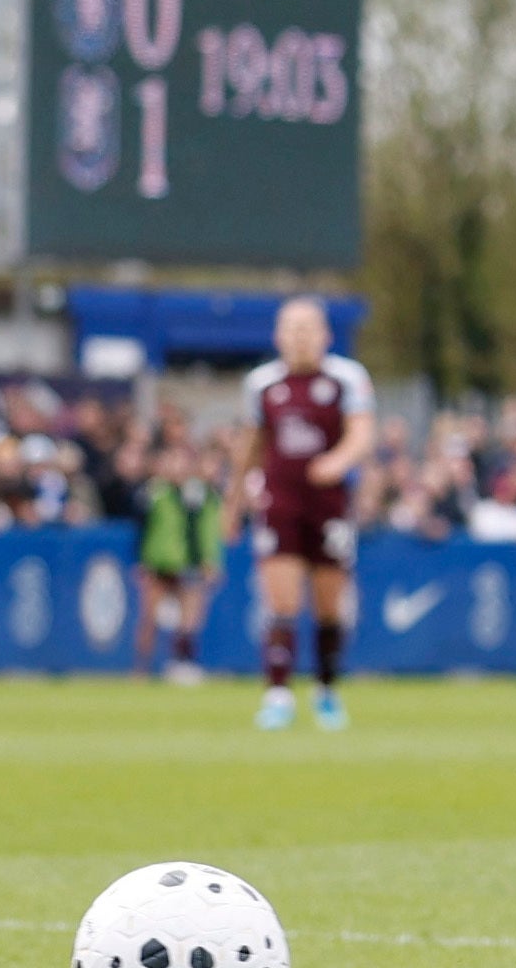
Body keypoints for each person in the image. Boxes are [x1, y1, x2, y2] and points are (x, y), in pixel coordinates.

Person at [239, 296, 374, 732]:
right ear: (278, 336)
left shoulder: (347, 379)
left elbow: (361, 435)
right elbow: (252, 447)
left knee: (329, 605)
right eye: (291, 328)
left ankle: (326, 690)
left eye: (307, 327)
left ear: (325, 335)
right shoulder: (261, 384)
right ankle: (277, 693)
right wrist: (233, 501)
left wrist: (337, 462)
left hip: (329, 504)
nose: (299, 336)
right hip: (279, 502)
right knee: (281, 600)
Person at [134, 435, 229, 685]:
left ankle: (182, 664)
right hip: (159, 561)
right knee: (150, 618)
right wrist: (142, 561)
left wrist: (211, 560)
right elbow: (141, 529)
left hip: (188, 561)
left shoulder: (199, 495)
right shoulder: (155, 493)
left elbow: (209, 529)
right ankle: (141, 669)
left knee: (190, 618)